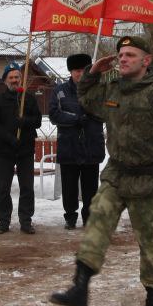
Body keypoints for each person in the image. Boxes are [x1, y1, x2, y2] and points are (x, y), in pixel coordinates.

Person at [50, 35, 153, 306]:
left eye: (130, 54)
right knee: (98, 220)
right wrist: (92, 73)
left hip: (149, 178)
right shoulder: (113, 87)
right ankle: (80, 286)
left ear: (147, 60)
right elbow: (87, 101)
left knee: (151, 242)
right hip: (117, 173)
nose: (123, 58)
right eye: (121, 54)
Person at [48, 53, 105, 229]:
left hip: (91, 146)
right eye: (77, 70)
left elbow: (106, 112)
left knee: (90, 188)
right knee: (69, 187)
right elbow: (53, 114)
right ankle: (70, 217)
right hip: (69, 146)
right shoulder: (60, 90)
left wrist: (92, 114)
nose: (80, 74)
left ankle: (89, 217)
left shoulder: (98, 90)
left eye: (84, 70)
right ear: (71, 72)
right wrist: (75, 118)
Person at [0, 60, 42, 234]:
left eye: (17, 76)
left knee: (27, 187)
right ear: (5, 80)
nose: (14, 80)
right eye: (10, 77)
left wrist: (24, 121)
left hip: (25, 150)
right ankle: (3, 221)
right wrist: (10, 138)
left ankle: (26, 220)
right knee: (3, 187)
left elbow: (38, 121)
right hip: (5, 150)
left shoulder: (30, 99)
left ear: (21, 79)